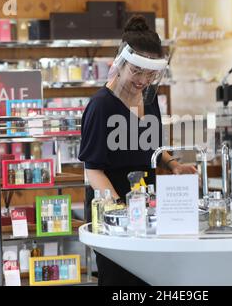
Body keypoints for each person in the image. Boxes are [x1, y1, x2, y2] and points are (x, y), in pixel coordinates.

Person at [78, 15, 197, 286]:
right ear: (120, 63)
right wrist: (119, 210)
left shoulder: (149, 99)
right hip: (114, 207)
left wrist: (173, 165)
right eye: (137, 71)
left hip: (145, 205)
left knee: (150, 278)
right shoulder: (101, 107)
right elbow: (93, 169)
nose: (143, 80)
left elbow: (152, 145)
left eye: (150, 74)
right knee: (120, 280)